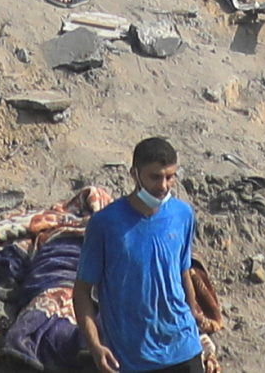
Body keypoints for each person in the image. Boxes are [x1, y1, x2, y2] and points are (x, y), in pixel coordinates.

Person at [74, 136, 220, 373]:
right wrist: (95, 346)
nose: (163, 186)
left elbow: (183, 272)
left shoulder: (183, 215)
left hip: (184, 348)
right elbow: (81, 292)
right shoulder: (105, 224)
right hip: (134, 357)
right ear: (134, 174)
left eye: (170, 176)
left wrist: (195, 321)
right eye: (155, 177)